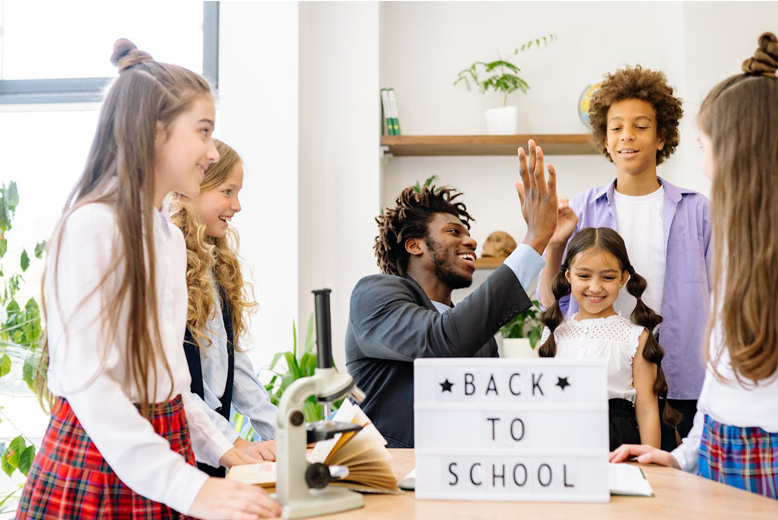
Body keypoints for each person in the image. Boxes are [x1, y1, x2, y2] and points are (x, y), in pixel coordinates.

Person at [18, 40, 281, 519]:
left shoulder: (166, 235)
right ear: (155, 131)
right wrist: (195, 490)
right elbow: (96, 392)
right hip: (101, 465)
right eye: (203, 131)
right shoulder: (93, 226)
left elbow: (171, 383)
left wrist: (224, 448)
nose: (211, 150)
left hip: (161, 455)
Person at [610, 32, 778, 507]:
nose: (705, 164)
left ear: (741, 148)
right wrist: (684, 455)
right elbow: (724, 376)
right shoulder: (741, 239)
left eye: (703, 144)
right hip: (718, 450)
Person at [538, 65, 711, 450]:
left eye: (640, 126)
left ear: (662, 135)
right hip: (605, 385)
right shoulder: (580, 208)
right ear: (605, 137)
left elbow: (725, 299)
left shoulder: (699, 211)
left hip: (685, 377)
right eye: (616, 127)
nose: (626, 136)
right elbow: (553, 302)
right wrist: (553, 243)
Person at [346, 140, 558, 448]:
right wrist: (534, 239)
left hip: (466, 476)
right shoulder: (374, 293)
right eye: (453, 232)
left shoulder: (479, 334)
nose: (471, 241)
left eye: (469, 233)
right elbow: (440, 342)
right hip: (394, 475)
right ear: (414, 245)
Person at [170, 139, 278, 477]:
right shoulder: (169, 261)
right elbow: (174, 383)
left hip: (217, 446)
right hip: (185, 446)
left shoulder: (217, 264)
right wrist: (232, 443)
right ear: (192, 188)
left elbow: (234, 362)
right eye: (228, 191)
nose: (237, 205)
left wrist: (280, 434)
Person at [539, 227, 681, 451]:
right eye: (584, 276)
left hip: (616, 445)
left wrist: (649, 466)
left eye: (607, 277)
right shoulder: (554, 333)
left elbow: (647, 410)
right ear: (568, 276)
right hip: (559, 441)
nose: (595, 287)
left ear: (623, 278)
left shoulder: (636, 337)